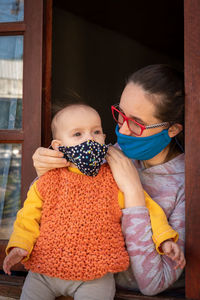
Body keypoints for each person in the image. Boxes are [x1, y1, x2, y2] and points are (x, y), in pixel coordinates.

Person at [30, 64, 185, 296]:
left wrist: (133, 192)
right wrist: (45, 172)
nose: (121, 130)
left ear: (171, 129)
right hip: (72, 280)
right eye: (120, 114)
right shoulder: (110, 153)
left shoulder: (188, 185)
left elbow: (153, 283)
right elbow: (54, 205)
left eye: (136, 123)